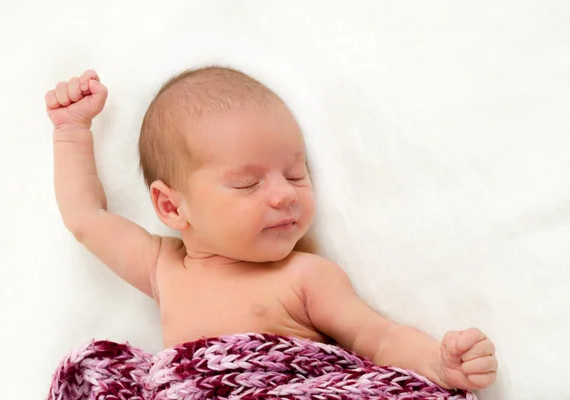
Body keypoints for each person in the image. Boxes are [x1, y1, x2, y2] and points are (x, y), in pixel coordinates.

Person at [44, 67, 497, 391]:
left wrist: (438, 363)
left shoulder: (305, 276)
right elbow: (87, 219)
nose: (284, 195)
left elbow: (376, 337)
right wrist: (71, 131)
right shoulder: (162, 265)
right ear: (171, 206)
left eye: (297, 174)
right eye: (248, 182)